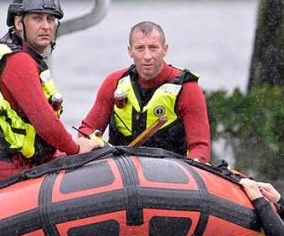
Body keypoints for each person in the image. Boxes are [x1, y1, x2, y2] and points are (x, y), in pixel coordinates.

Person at [0, 0, 98, 189]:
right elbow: (45, 123)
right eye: (37, 19)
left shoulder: (7, 54)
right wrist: (76, 148)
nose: (46, 26)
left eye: (51, 19)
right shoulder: (18, 61)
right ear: (19, 23)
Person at [80, 21, 210, 162]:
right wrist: (91, 144)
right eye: (140, 48)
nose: (147, 56)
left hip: (171, 169)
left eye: (153, 48)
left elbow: (200, 147)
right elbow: (88, 129)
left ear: (165, 49)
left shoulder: (187, 88)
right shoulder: (114, 82)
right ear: (130, 51)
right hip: (121, 167)